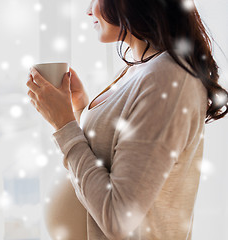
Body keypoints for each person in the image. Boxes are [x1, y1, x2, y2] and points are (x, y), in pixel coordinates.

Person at [26, 0, 228, 239]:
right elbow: (114, 158)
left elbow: (119, 219)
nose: (88, 10)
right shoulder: (142, 68)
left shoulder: (167, 79)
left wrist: (64, 126)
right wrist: (79, 108)